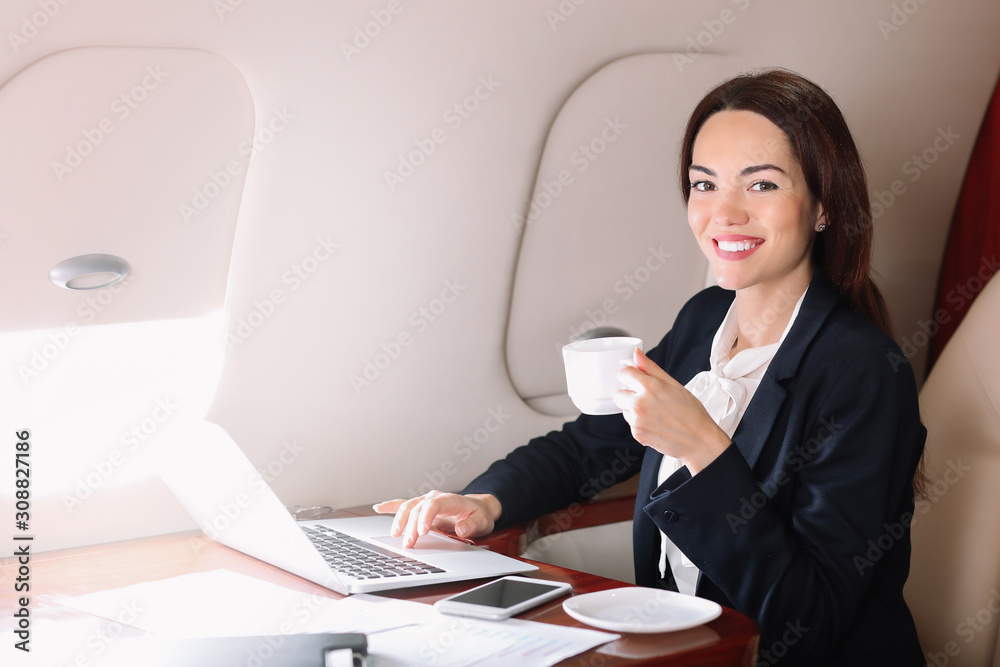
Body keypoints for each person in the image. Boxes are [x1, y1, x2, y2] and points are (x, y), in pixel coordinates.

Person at [375, 69, 926, 666]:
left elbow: (809, 623)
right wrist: (485, 502)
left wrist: (705, 451)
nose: (725, 213)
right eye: (704, 184)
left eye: (762, 185)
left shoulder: (866, 373)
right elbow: (591, 446)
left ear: (823, 206)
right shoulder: (702, 320)